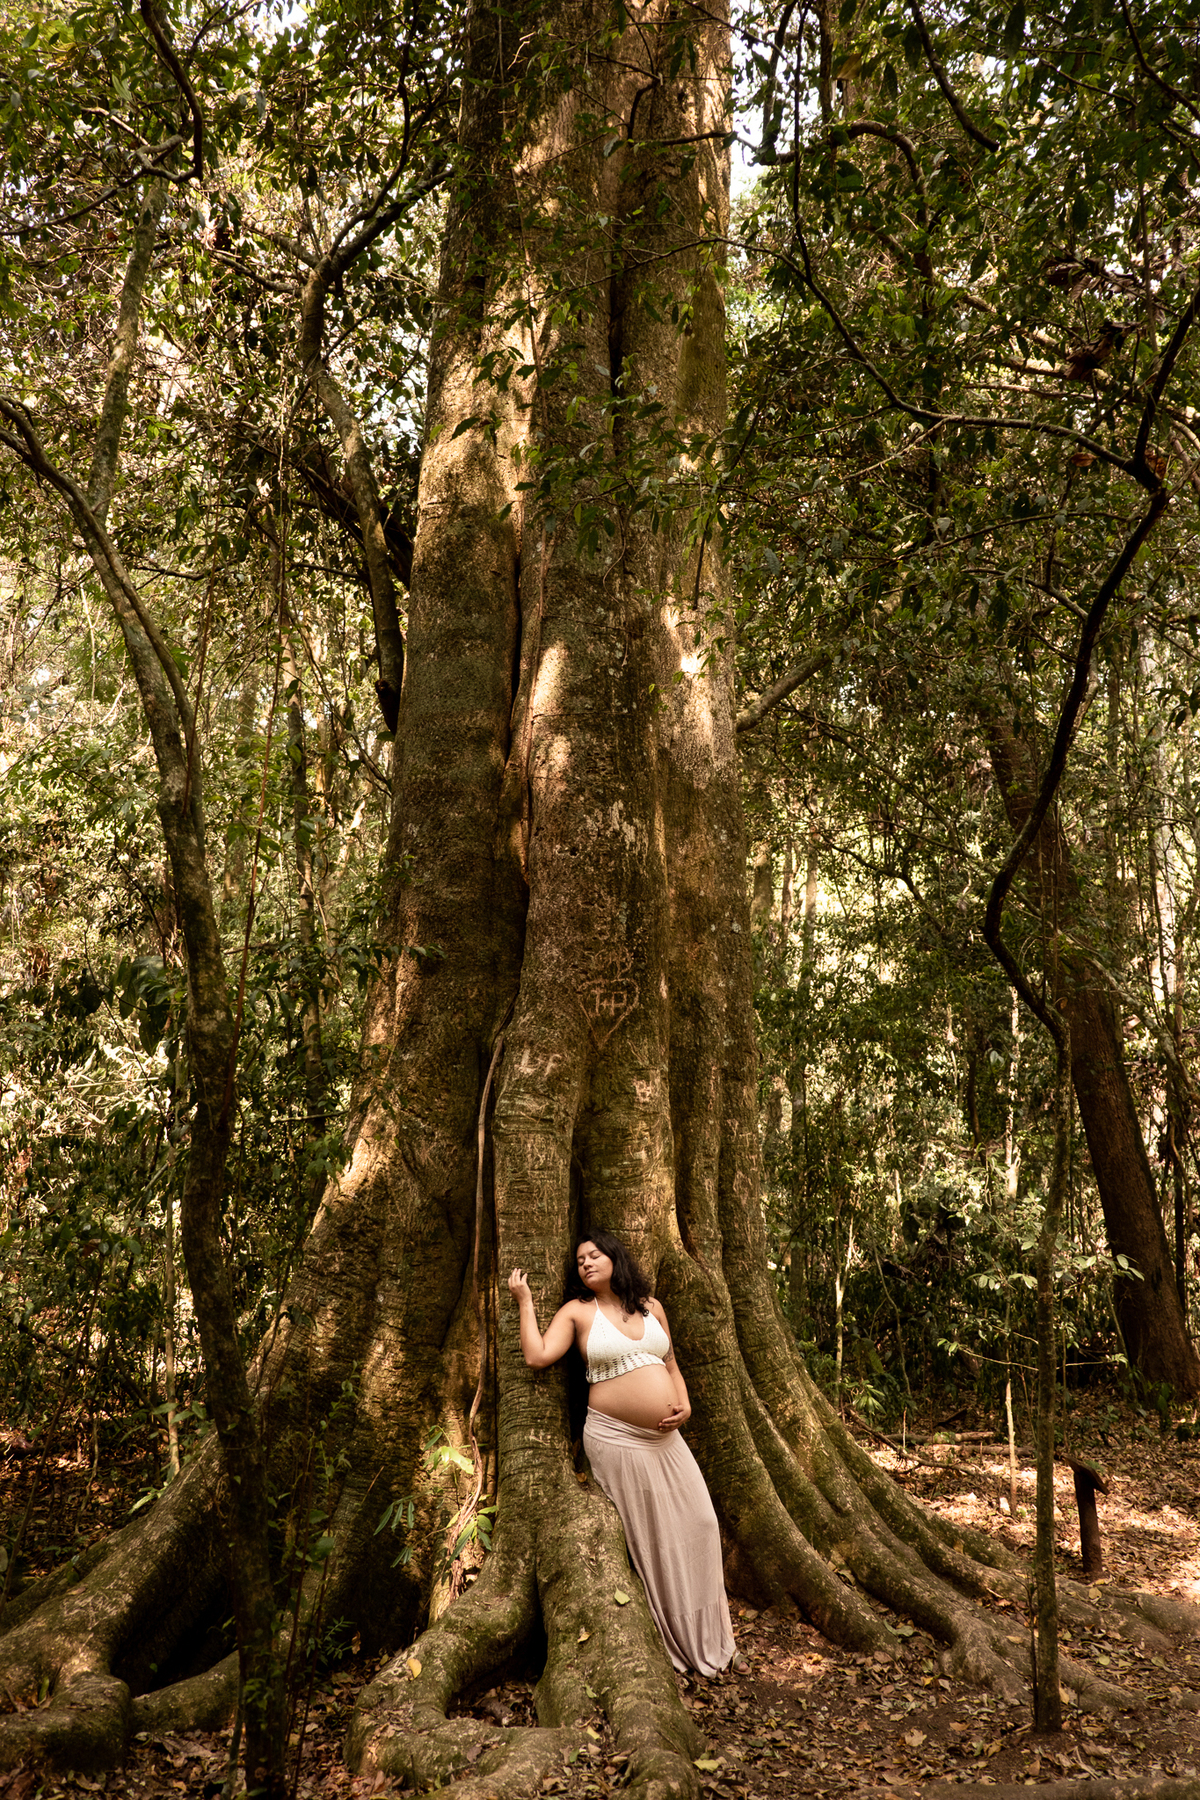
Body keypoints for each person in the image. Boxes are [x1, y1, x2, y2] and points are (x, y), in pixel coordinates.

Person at [507, 1231, 736, 1676]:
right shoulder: (578, 1312)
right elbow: (537, 1356)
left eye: (595, 1255)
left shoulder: (652, 1307)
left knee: (702, 1524)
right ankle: (667, 1636)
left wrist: (685, 1403)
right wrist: (524, 1301)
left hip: (667, 1440)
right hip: (616, 1438)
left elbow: (670, 1364)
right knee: (651, 1538)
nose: (587, 1264)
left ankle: (711, 1637)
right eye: (580, 1260)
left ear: (615, 1258)